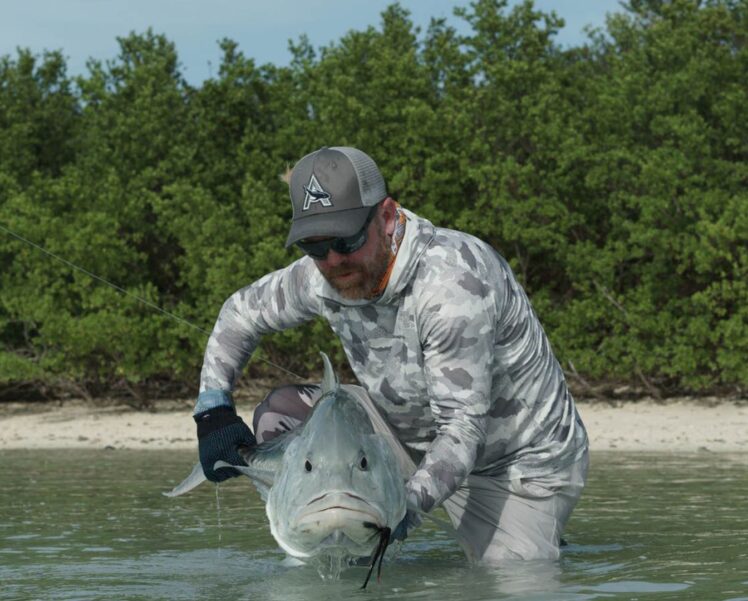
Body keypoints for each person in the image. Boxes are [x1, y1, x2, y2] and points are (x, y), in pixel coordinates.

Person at [192, 146, 589, 563]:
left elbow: (461, 431)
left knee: (510, 581)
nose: (332, 261)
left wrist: (400, 509)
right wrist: (212, 412)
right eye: (314, 246)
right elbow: (240, 314)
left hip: (514, 462)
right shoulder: (322, 274)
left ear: (385, 216)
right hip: (403, 432)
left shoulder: (451, 286)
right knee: (282, 411)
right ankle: (316, 532)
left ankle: (530, 532)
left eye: (346, 240)